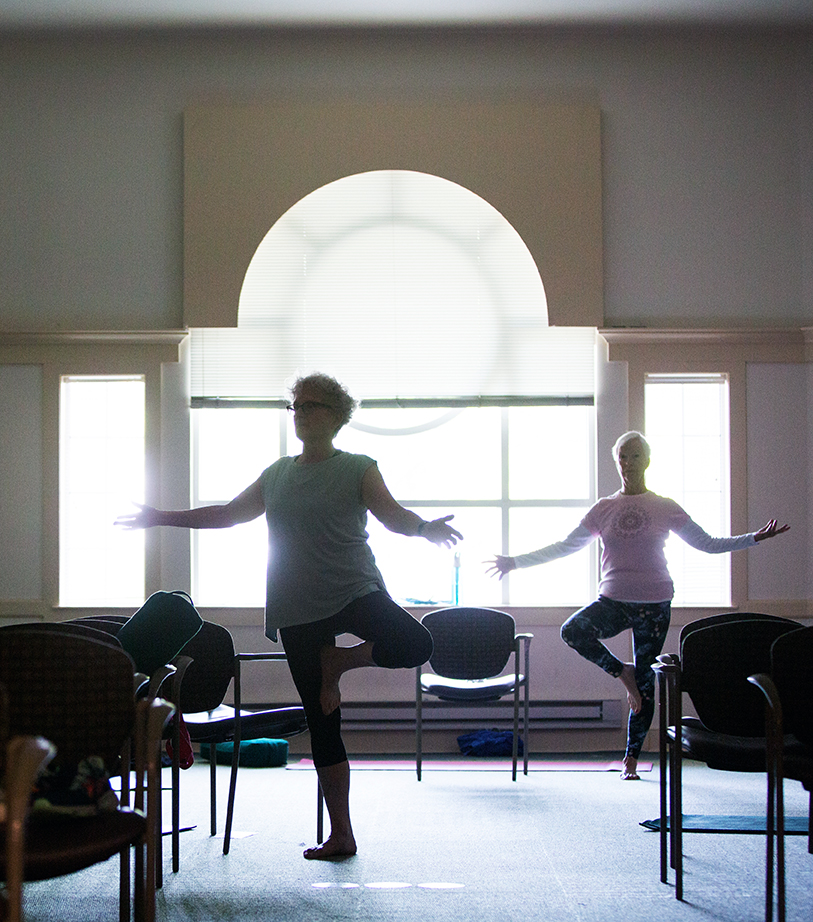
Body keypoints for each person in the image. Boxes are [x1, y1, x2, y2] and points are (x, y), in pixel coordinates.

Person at [116, 372, 462, 858]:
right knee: (324, 724)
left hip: (352, 589)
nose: (300, 413)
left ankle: (337, 663)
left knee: (416, 643)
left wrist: (424, 528)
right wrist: (162, 516)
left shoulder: (359, 467)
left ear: (337, 416)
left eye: (311, 405)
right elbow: (229, 514)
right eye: (295, 405)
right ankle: (341, 834)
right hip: (297, 607)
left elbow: (393, 515)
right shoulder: (277, 473)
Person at [486, 430, 788, 781]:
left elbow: (707, 543)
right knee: (573, 630)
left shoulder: (664, 507)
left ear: (647, 460)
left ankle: (631, 758)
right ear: (617, 463)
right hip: (613, 599)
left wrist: (754, 538)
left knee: (646, 682)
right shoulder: (604, 508)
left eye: (634, 456)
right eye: (622, 458)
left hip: (654, 602)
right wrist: (515, 562)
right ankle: (622, 672)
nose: (628, 464)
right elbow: (565, 546)